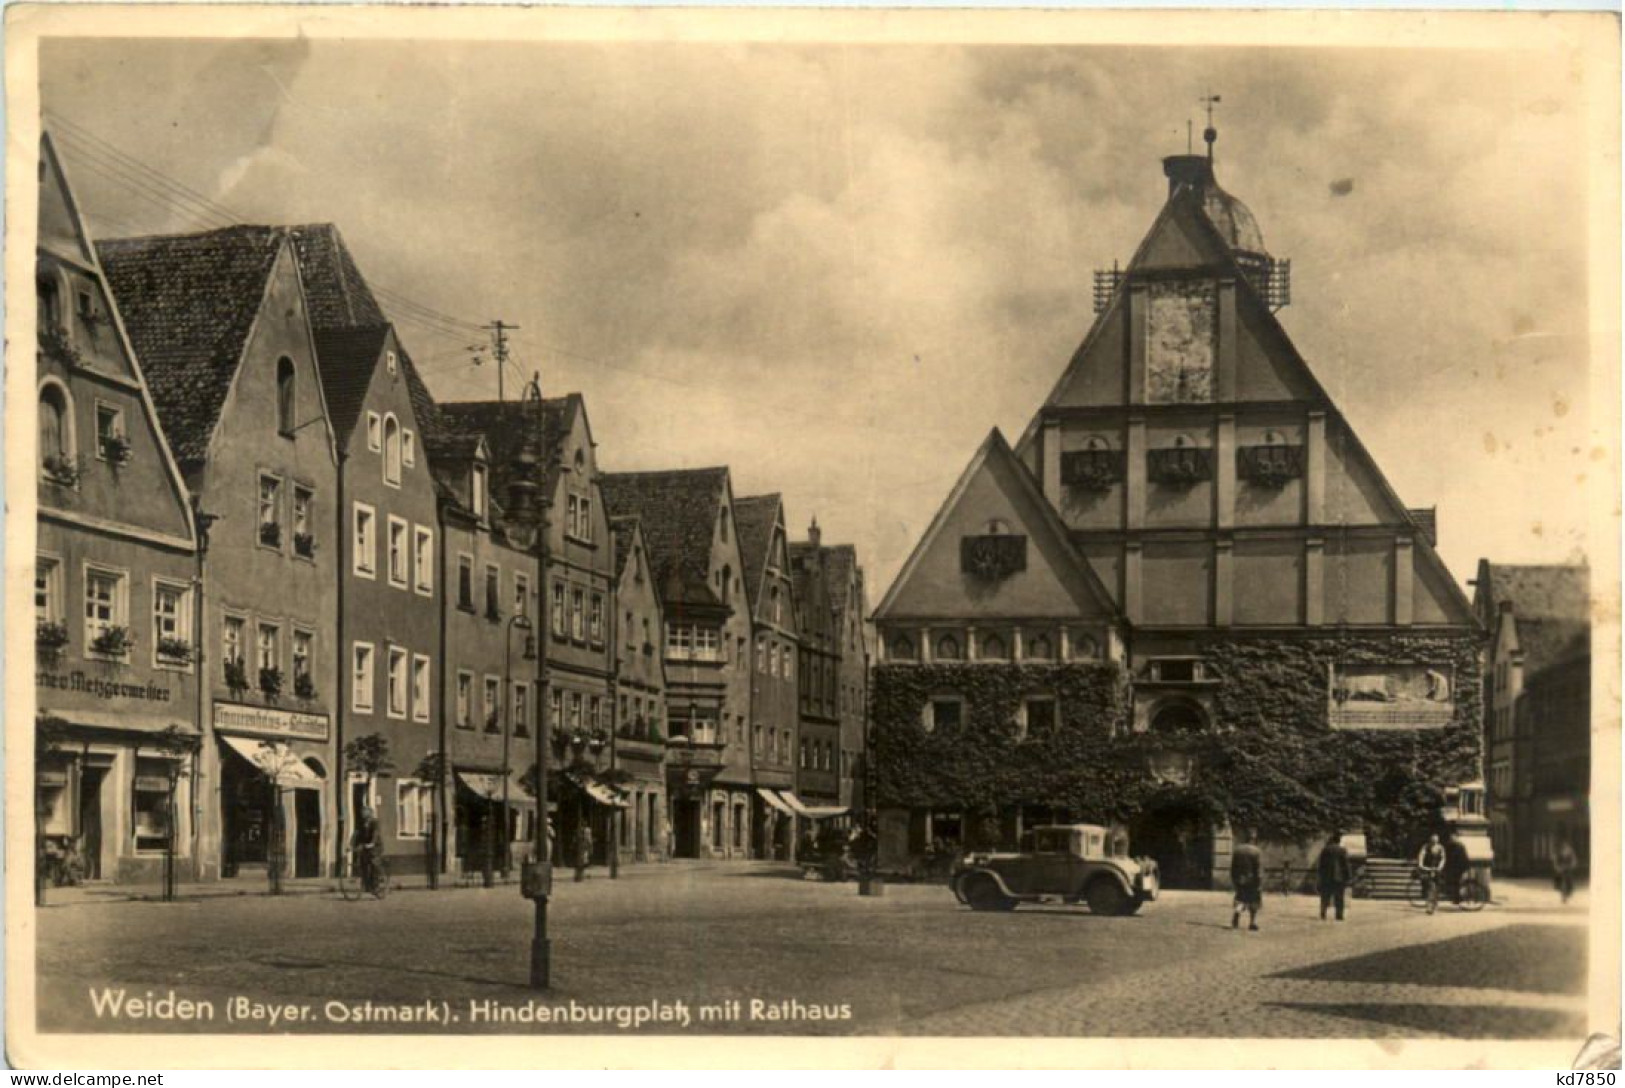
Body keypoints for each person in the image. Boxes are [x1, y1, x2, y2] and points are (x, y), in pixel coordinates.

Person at [1230, 829, 1263, 931]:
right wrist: (1260, 883)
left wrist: (1234, 880)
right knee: (1254, 901)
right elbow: (1258, 869)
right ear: (1253, 838)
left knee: (1240, 899)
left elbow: (1233, 867)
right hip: (1252, 880)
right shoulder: (1256, 851)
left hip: (1240, 880)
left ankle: (1236, 916)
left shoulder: (1237, 850)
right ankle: (1252, 922)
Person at [1317, 832, 1352, 922]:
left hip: (1327, 877)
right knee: (1339, 897)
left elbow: (1321, 864)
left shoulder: (1325, 850)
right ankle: (1339, 915)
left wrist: (1320, 875)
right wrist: (1348, 876)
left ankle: (1323, 913)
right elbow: (1345, 864)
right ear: (1339, 841)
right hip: (1339, 877)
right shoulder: (1342, 850)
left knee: (1325, 896)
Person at [351, 805, 383, 891]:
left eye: (364, 812)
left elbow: (375, 834)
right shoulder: (361, 823)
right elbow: (356, 833)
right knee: (363, 863)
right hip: (365, 844)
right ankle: (366, 884)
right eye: (362, 812)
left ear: (370, 813)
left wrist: (372, 843)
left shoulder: (375, 822)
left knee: (373, 862)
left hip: (375, 846)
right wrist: (351, 844)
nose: (362, 814)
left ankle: (376, 884)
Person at [1416, 833, 1446, 915]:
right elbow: (1421, 856)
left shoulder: (1440, 848)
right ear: (1430, 840)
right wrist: (1421, 865)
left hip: (1437, 870)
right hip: (1428, 869)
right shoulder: (1425, 847)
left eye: (1436, 841)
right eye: (1433, 841)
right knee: (1430, 887)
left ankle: (1434, 904)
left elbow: (1443, 858)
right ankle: (1430, 906)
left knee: (1437, 888)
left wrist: (1440, 867)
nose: (1434, 843)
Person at [1553, 837, 1579, 904]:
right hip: (1561, 869)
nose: (1565, 845)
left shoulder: (1570, 851)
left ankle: (1566, 895)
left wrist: (1571, 866)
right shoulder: (1559, 852)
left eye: (1566, 844)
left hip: (1567, 869)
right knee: (1562, 883)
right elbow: (1555, 860)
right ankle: (1563, 896)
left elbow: (1574, 860)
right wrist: (1557, 867)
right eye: (1564, 844)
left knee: (1568, 882)